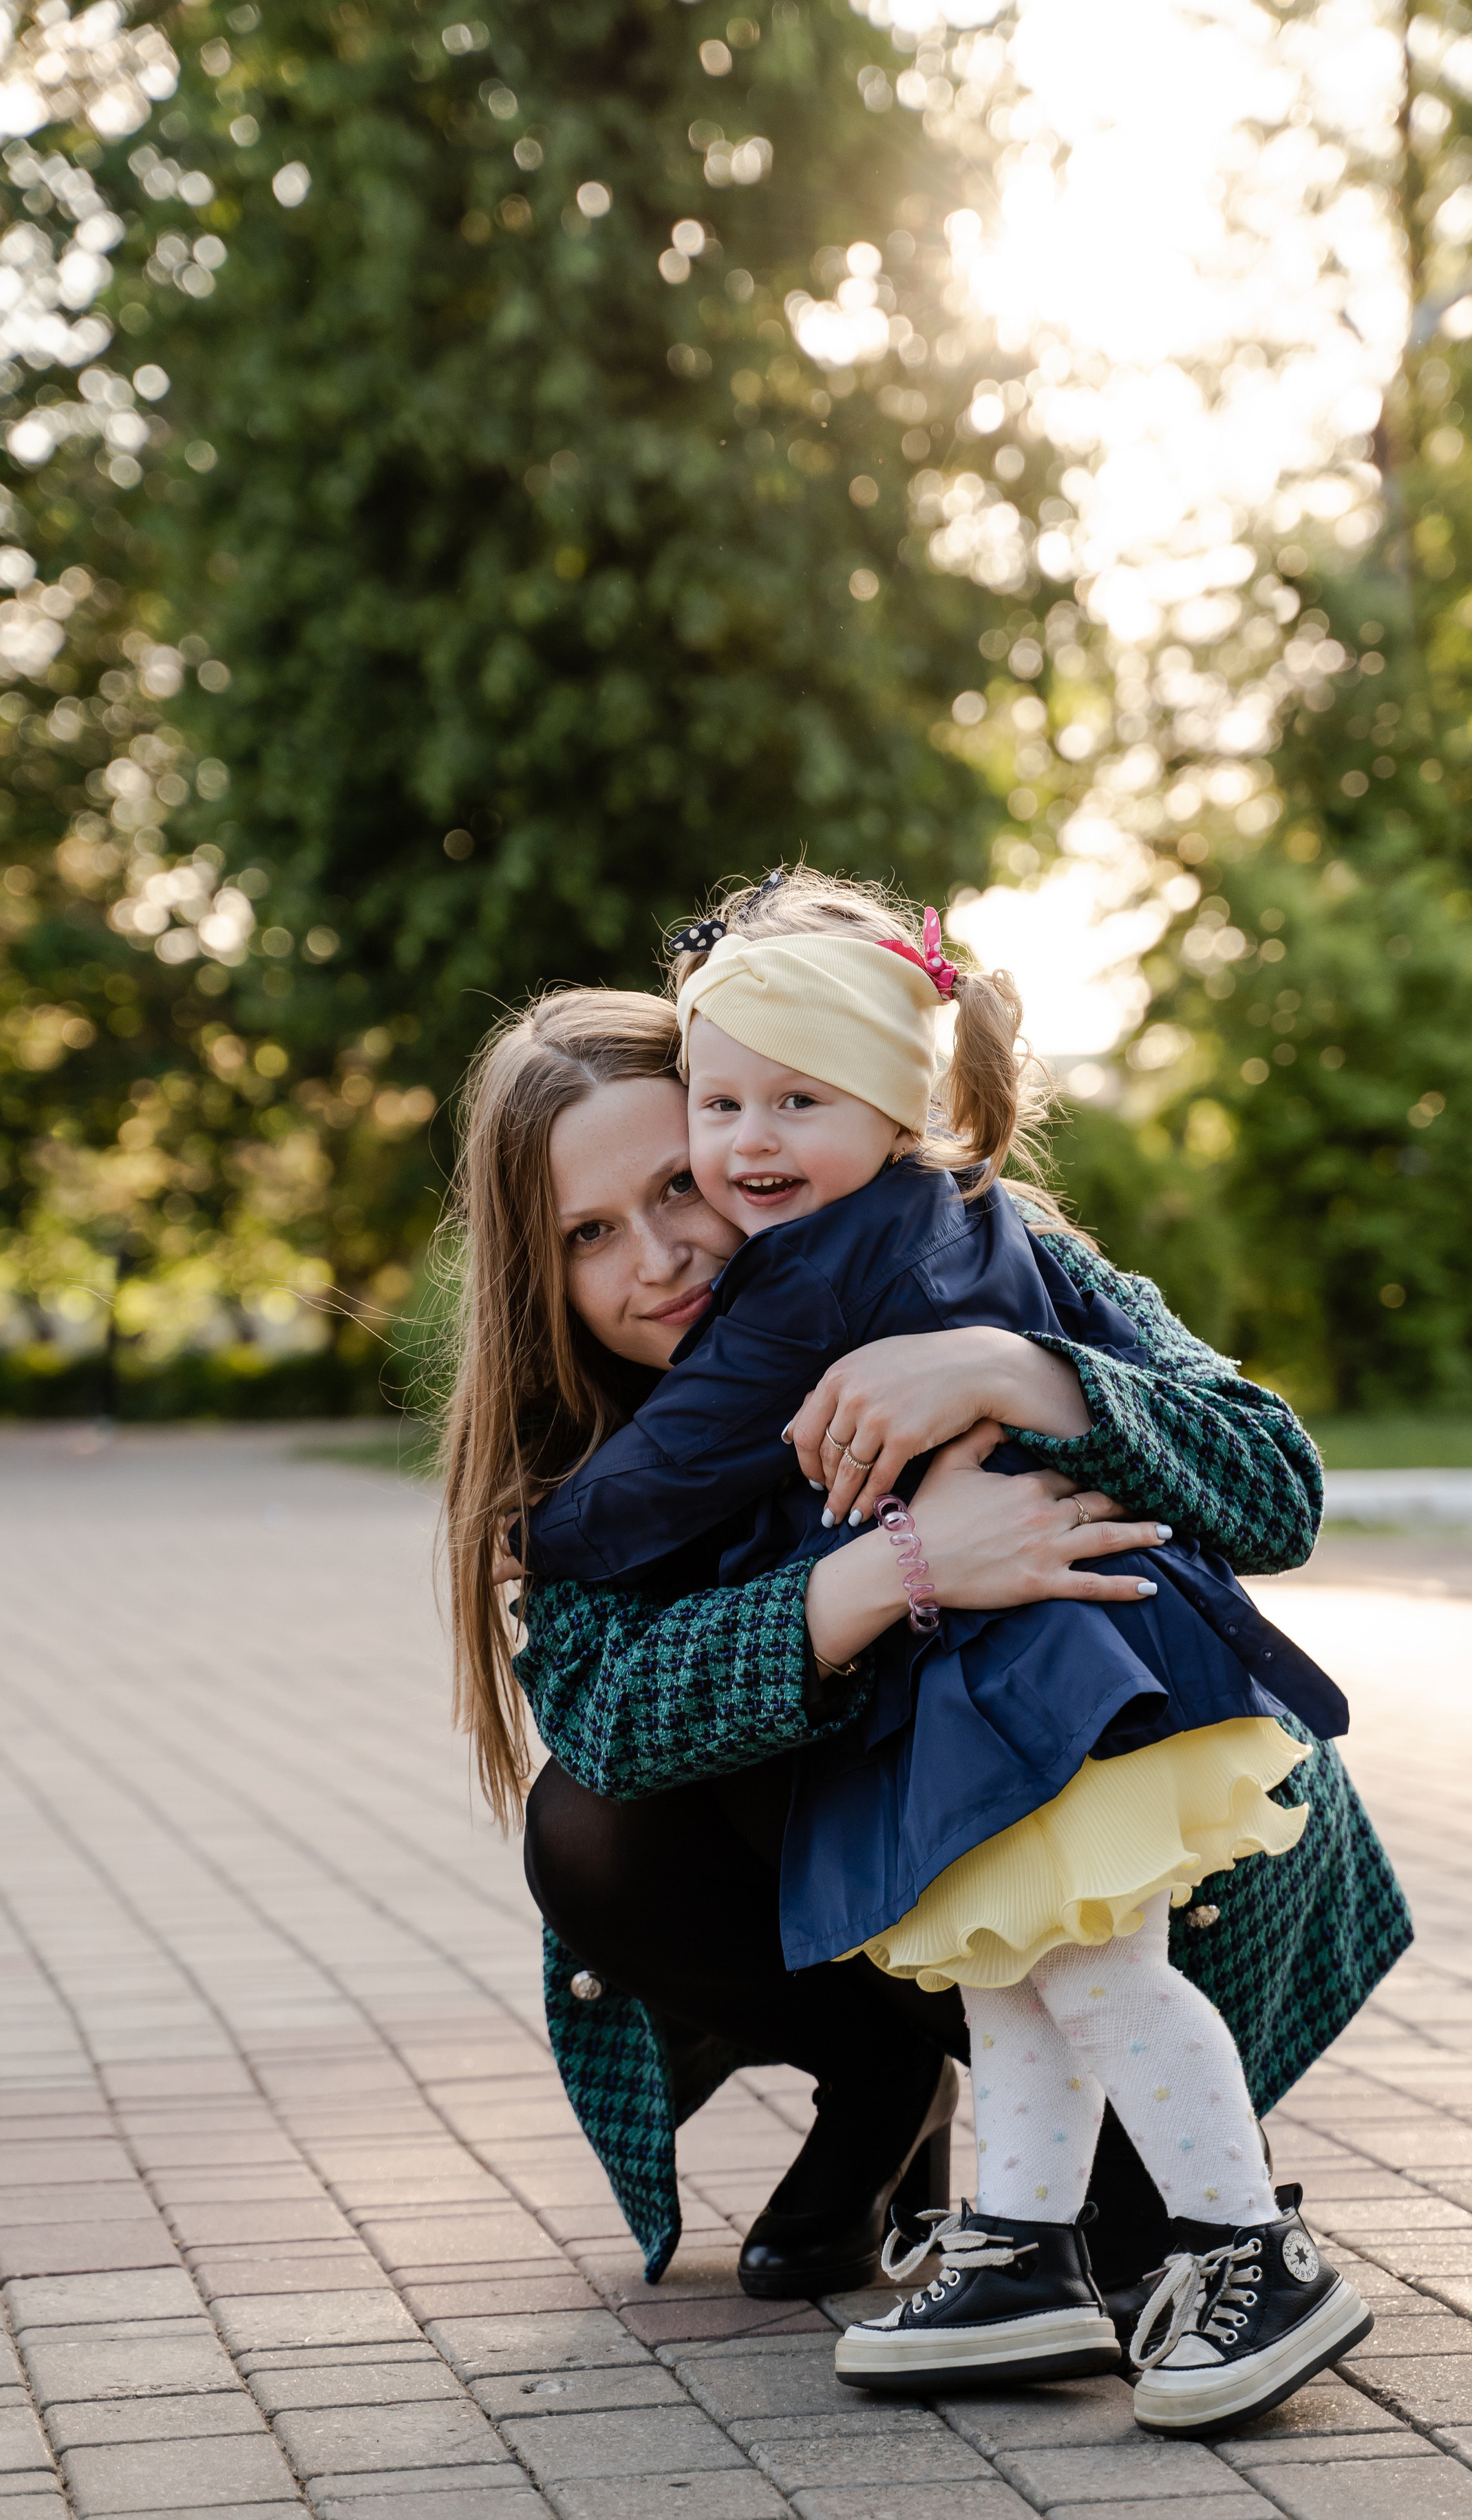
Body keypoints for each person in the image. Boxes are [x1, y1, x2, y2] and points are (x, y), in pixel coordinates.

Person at [505, 869, 1379, 2433]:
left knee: (1096, 1990)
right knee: (612, 1823)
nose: (667, 1248)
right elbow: (615, 1716)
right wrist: (897, 1573)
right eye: (590, 1231)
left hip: (1106, 1747)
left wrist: (1019, 1370)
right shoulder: (610, 1408)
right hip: (949, 1772)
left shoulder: (972, 1243)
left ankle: (1248, 2249)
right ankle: (1001, 2230)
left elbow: (1275, 1482)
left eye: (682, 1182)